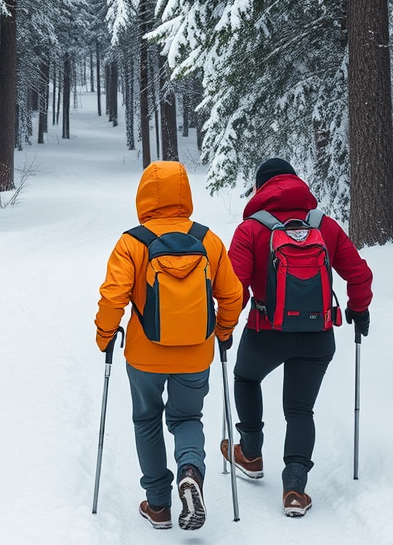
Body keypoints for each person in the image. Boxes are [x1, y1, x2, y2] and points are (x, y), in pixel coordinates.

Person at [95, 161, 241, 531]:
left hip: (145, 356)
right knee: (187, 418)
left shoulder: (132, 241)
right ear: (185, 193)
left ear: (144, 195)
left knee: (147, 421)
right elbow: (232, 294)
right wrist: (223, 331)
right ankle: (190, 472)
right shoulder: (208, 240)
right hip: (195, 353)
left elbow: (114, 297)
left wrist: (104, 335)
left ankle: (158, 505)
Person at [224, 157, 372, 517]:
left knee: (246, 377)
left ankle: (252, 450)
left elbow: (233, 288)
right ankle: (294, 488)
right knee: (300, 409)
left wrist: (224, 326)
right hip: (317, 335)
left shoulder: (250, 230)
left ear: (260, 188)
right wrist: (359, 308)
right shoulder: (325, 226)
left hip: (265, 333)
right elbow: (359, 273)